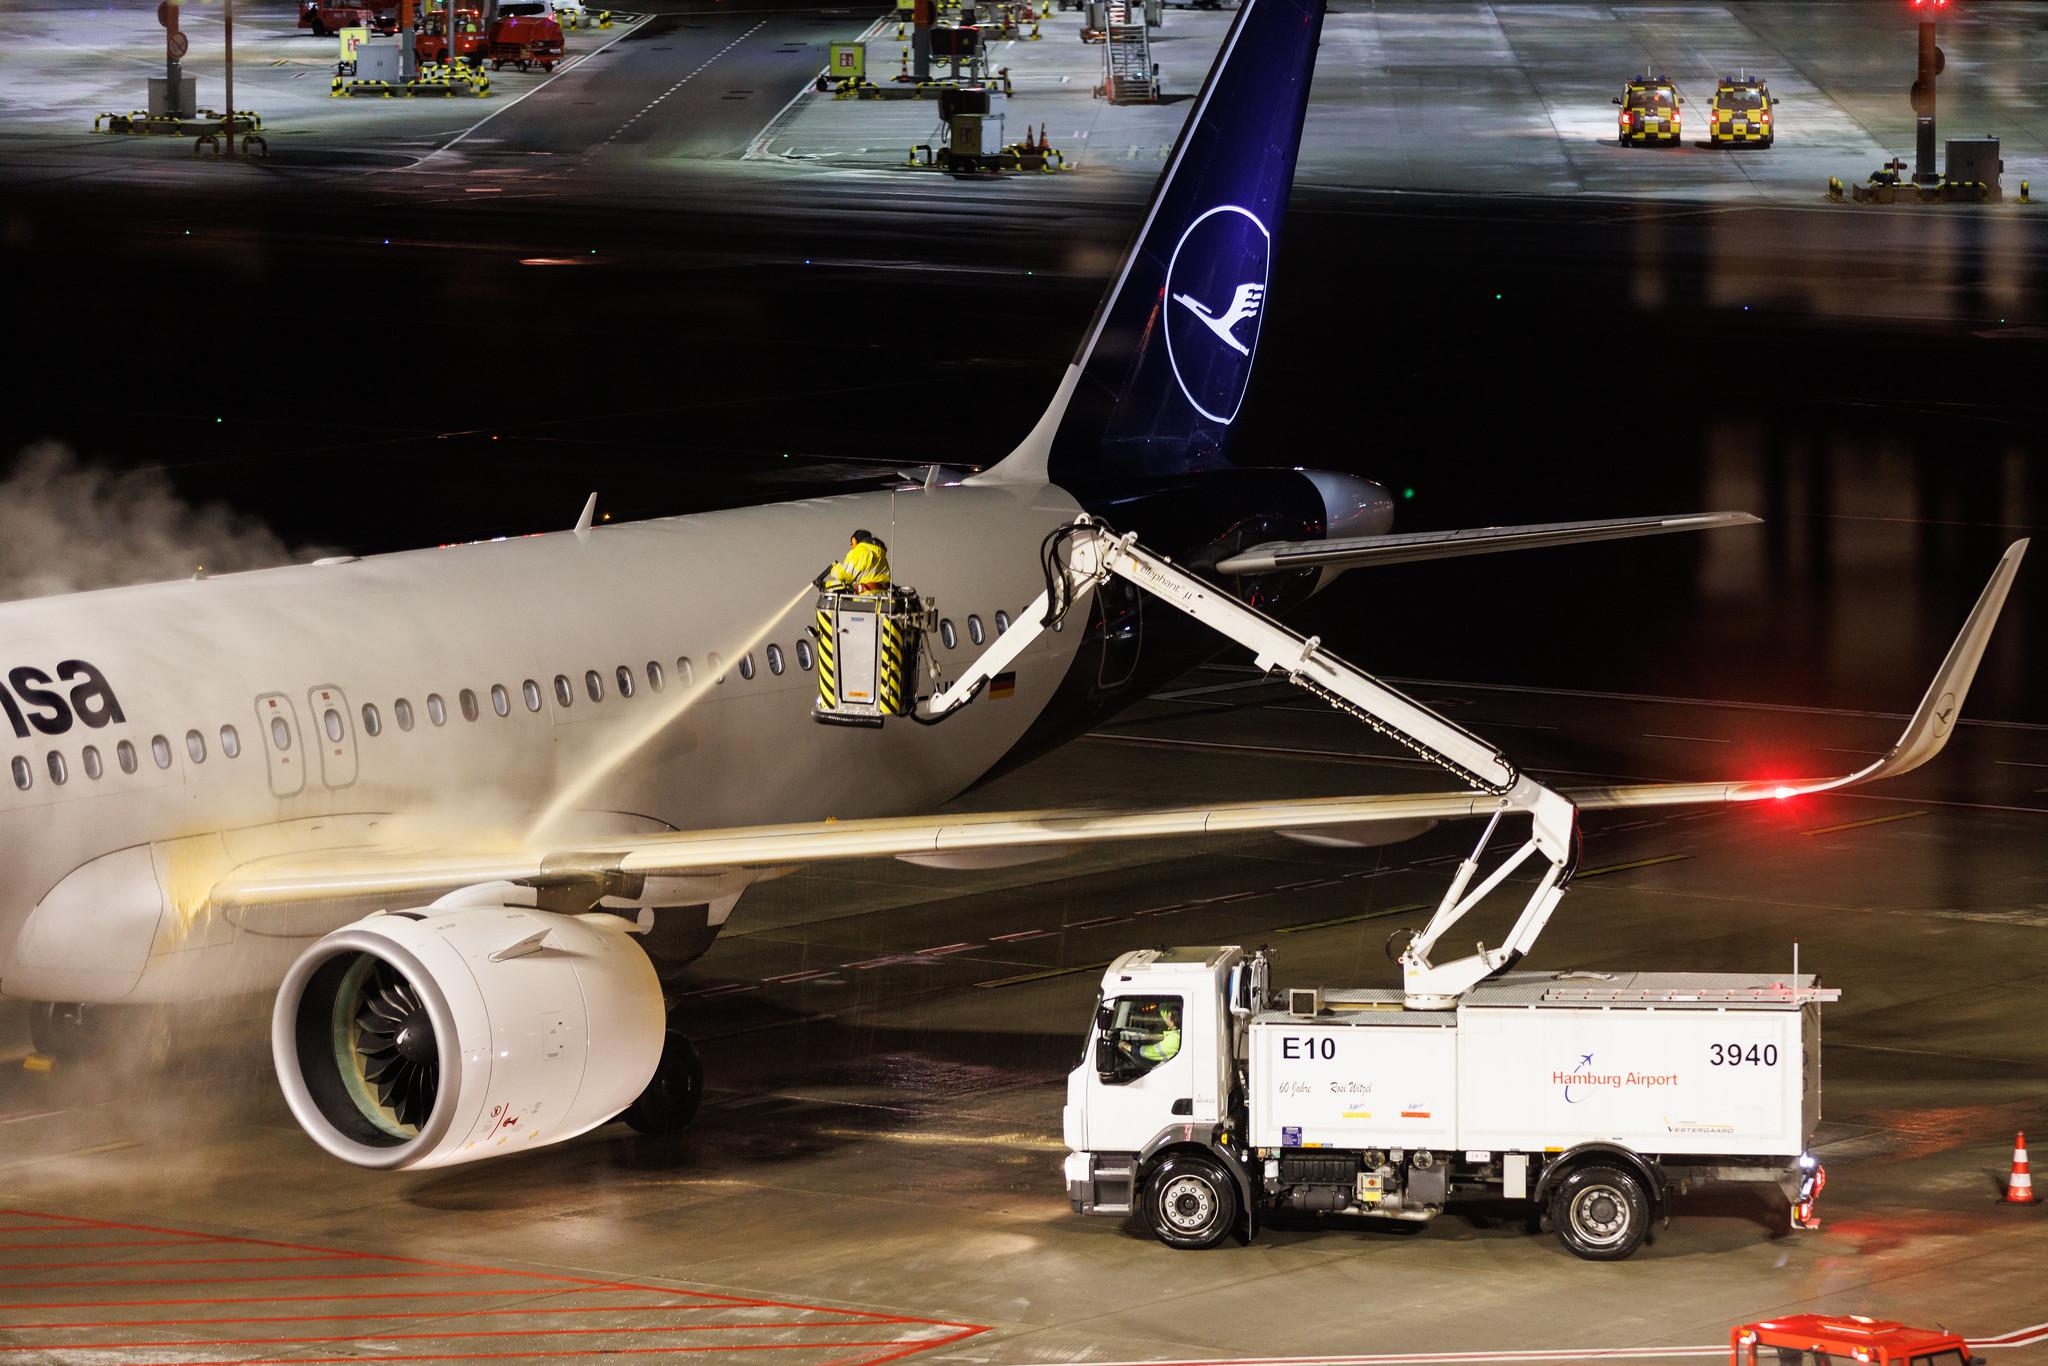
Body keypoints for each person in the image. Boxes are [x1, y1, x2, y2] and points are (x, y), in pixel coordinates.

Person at [816, 529, 892, 594]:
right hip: (883, 596)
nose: (852, 547)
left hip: (866, 598)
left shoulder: (860, 551)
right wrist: (828, 585)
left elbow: (845, 575)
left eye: (852, 544)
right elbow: (851, 582)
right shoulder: (879, 554)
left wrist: (834, 568)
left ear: (854, 540)